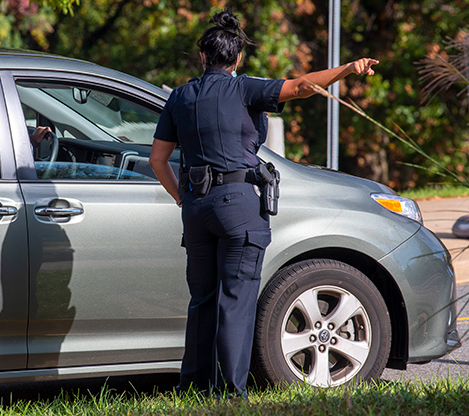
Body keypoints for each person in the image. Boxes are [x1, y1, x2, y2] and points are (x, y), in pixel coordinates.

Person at [149, 10, 378, 397]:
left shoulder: (180, 96)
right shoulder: (244, 89)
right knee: (235, 302)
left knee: (202, 300)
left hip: (197, 208)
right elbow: (303, 86)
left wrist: (183, 199)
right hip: (237, 205)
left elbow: (158, 160)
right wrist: (349, 68)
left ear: (203, 57)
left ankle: (193, 388)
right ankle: (229, 394)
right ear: (236, 60)